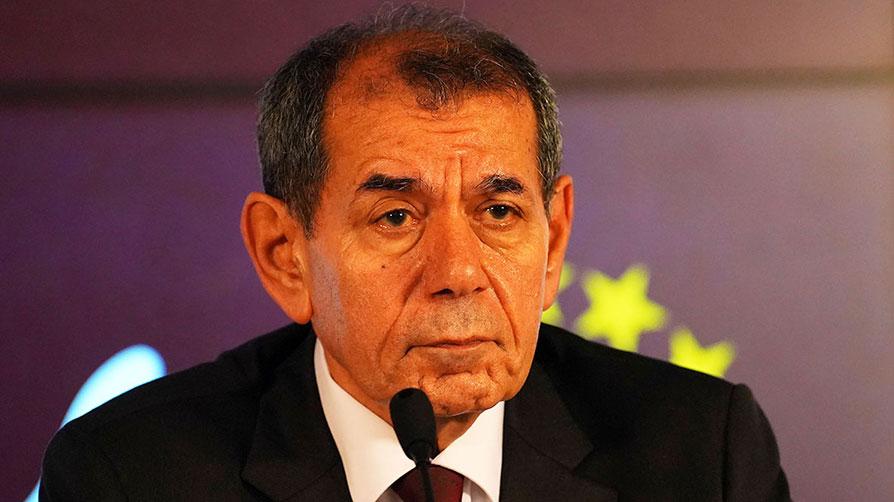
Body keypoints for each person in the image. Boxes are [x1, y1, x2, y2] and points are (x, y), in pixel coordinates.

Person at [40, 5, 790, 501]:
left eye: (499, 212)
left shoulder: (702, 456)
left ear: (553, 243)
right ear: (284, 254)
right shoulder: (128, 474)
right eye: (396, 216)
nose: (458, 272)